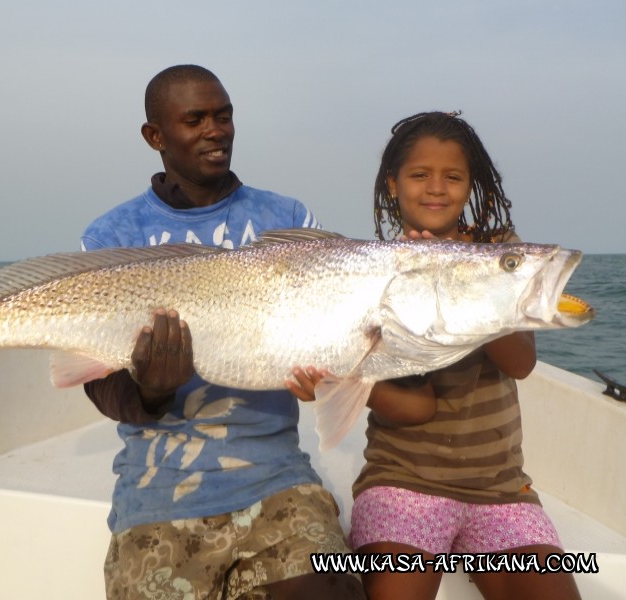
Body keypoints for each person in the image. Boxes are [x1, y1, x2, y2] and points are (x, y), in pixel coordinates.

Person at [80, 65, 364, 600]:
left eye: (224, 115)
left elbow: (326, 343)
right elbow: (100, 385)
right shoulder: (111, 235)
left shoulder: (290, 219)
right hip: (156, 492)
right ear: (155, 137)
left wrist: (323, 378)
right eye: (195, 120)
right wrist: (151, 390)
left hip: (278, 477)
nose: (216, 130)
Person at [290, 111, 581, 600]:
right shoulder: (377, 271)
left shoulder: (496, 253)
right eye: (419, 175)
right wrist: (329, 380)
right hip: (402, 481)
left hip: (502, 488)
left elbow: (521, 364)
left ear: (471, 186)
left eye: (453, 177)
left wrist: (461, 279)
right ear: (393, 184)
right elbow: (412, 406)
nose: (436, 189)